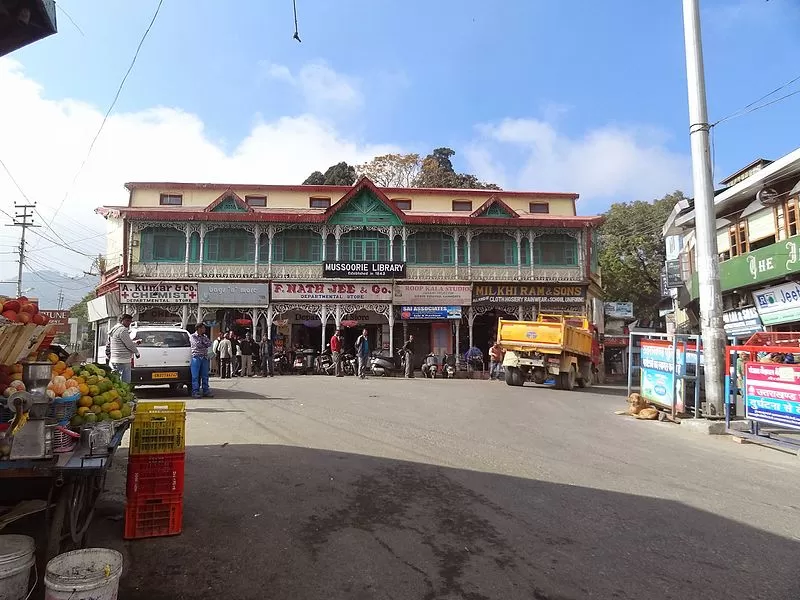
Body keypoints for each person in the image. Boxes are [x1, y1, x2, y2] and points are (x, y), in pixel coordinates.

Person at [108, 314, 140, 384]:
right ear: (122, 321)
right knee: (125, 383)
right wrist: (137, 352)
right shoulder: (123, 330)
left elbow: (122, 342)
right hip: (123, 360)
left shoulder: (114, 329)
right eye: (127, 321)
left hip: (114, 359)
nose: (129, 323)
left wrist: (134, 342)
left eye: (130, 321)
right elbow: (129, 345)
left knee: (116, 382)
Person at [189, 323, 214, 398]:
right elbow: (197, 345)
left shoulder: (205, 336)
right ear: (199, 329)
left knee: (205, 375)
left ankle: (206, 390)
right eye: (203, 328)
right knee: (195, 376)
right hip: (196, 357)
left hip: (204, 358)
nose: (204, 329)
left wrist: (204, 343)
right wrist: (204, 343)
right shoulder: (193, 336)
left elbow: (209, 343)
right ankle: (195, 391)